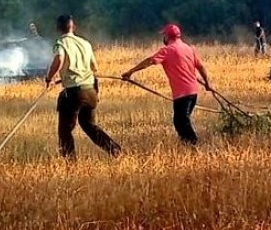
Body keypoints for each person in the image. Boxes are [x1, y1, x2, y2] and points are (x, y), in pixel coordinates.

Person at [44, 14, 121, 160]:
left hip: (74, 93)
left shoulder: (61, 43)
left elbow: (59, 58)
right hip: (91, 90)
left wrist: (49, 78)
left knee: (65, 130)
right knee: (88, 125)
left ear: (57, 28)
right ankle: (114, 149)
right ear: (74, 27)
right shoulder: (85, 43)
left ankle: (70, 164)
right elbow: (93, 67)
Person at [121, 23, 213, 146]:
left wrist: (130, 72)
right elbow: (201, 67)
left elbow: (149, 61)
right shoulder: (189, 49)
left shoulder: (167, 50)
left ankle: (194, 145)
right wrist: (207, 84)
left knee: (181, 121)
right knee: (181, 120)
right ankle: (188, 145)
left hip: (182, 94)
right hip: (193, 92)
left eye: (164, 35)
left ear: (167, 36)